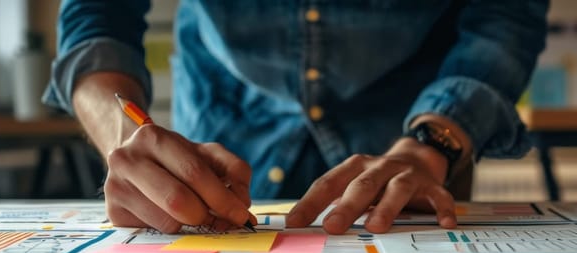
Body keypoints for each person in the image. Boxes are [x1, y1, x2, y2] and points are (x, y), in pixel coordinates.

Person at [44, 1, 548, 234]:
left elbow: (505, 18)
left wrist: (433, 140)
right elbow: (97, 17)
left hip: (409, 171)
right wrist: (127, 140)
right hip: (212, 167)